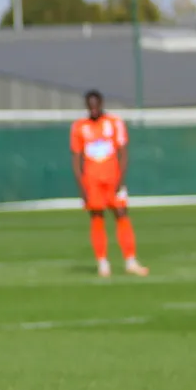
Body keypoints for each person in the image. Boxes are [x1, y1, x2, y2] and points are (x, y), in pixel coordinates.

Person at [70, 89, 149, 278]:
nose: (94, 109)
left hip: (113, 178)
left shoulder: (114, 123)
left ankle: (130, 261)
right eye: (90, 105)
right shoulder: (79, 127)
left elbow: (123, 151)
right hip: (92, 179)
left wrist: (120, 180)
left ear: (102, 103)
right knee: (97, 217)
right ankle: (102, 263)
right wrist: (81, 185)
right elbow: (76, 157)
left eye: (96, 104)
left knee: (121, 214)